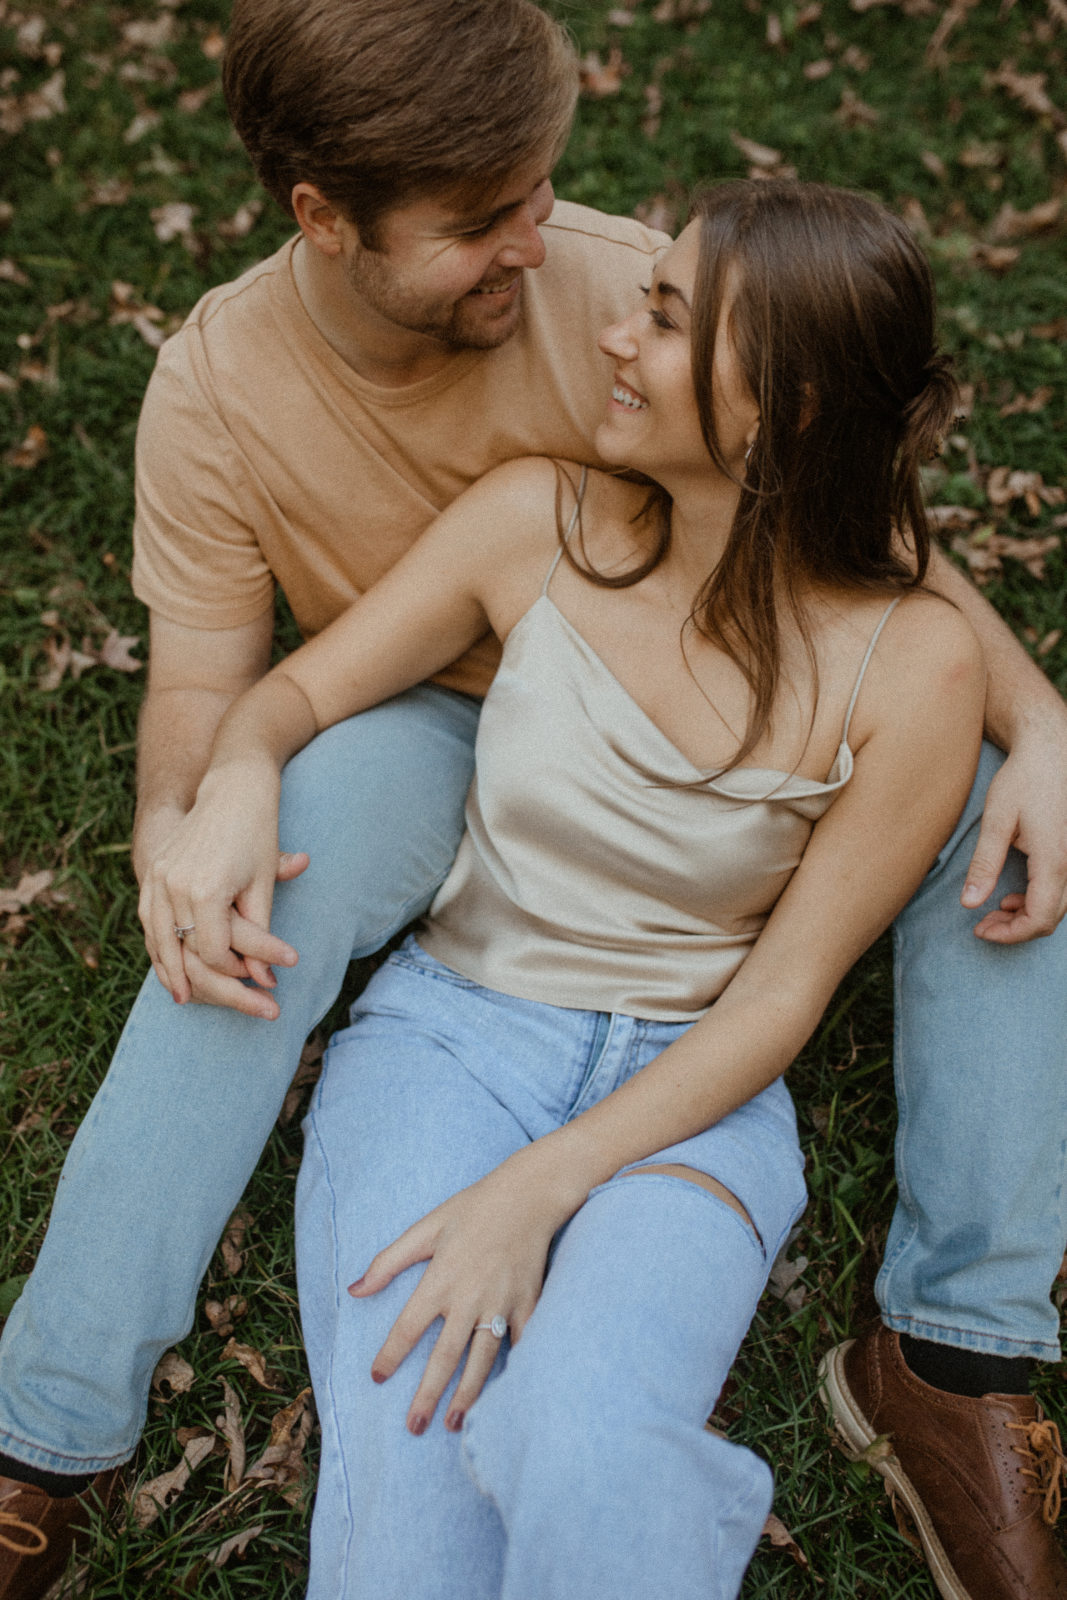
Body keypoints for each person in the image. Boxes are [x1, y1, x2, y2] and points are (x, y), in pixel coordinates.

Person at [0, 2, 1064, 1596]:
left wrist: (1042, 716)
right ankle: (43, 1439)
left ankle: (956, 1354)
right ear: (327, 220)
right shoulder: (219, 390)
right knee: (250, 877)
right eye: (481, 224)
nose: (538, 245)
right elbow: (212, 689)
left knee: (1004, 806)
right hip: (438, 729)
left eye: (538, 195)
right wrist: (197, 810)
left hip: (751, 703)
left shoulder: (616, 284)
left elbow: (851, 517)